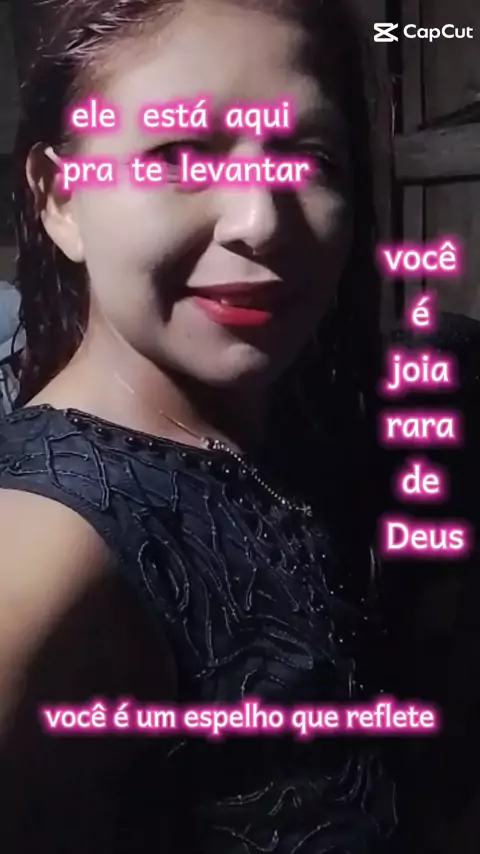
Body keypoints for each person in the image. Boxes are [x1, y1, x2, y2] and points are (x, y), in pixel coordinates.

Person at [0, 1, 397, 851]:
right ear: (62, 198)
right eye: (179, 154)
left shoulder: (287, 431)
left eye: (308, 157)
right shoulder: (44, 559)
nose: (262, 220)